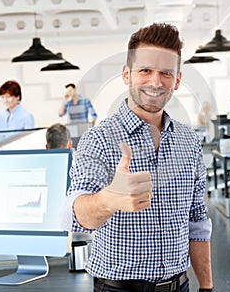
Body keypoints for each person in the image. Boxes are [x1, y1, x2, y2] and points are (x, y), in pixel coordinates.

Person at [62, 23, 214, 292]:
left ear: (177, 81)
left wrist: (207, 286)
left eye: (166, 73)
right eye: (145, 70)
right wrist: (110, 199)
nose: (156, 82)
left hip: (180, 286)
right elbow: (76, 215)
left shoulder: (189, 141)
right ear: (127, 74)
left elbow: (197, 222)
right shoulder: (99, 139)